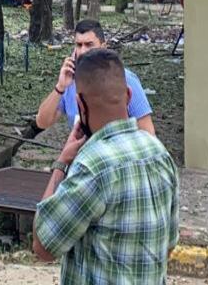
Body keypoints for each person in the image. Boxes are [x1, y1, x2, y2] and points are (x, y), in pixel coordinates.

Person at [33, 48, 180, 283]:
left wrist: (62, 163)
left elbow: (43, 246)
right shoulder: (160, 155)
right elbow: (169, 244)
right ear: (129, 96)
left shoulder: (92, 166)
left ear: (80, 104)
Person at [35, 19, 155, 135]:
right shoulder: (70, 81)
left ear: (103, 47)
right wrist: (60, 87)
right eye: (79, 45)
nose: (83, 51)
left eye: (89, 45)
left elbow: (148, 133)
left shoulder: (124, 79)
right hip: (83, 154)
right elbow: (42, 122)